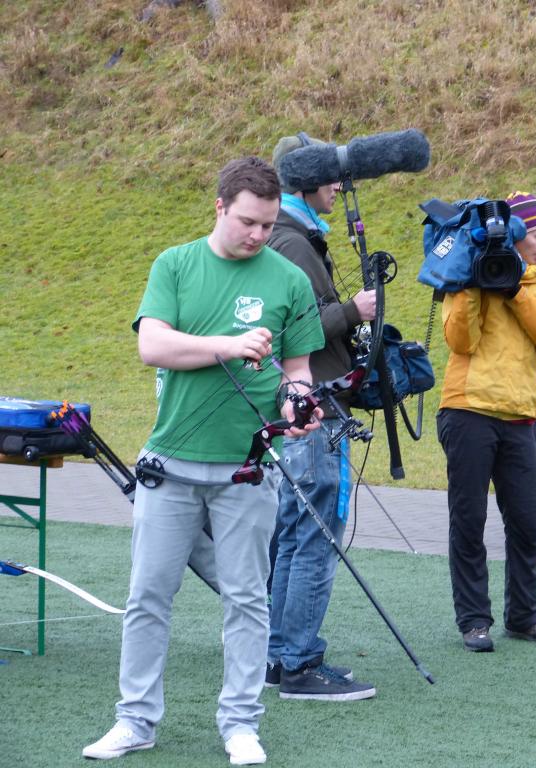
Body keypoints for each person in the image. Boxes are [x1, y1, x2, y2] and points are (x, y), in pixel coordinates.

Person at [83, 157, 325, 766]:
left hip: (249, 468)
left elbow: (296, 371)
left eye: (268, 224)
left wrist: (299, 403)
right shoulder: (176, 264)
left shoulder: (289, 280)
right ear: (219, 207)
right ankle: (135, 721)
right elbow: (152, 344)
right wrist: (229, 345)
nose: (258, 235)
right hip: (169, 466)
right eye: (248, 221)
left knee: (247, 600)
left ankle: (240, 724)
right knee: (148, 596)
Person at [262, 134, 377, 702]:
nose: (339, 184)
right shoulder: (292, 241)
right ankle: (299, 663)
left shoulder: (287, 235)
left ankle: (278, 656)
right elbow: (295, 330)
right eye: (330, 174)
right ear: (304, 180)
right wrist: (354, 311)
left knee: (292, 532)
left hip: (308, 405)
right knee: (313, 535)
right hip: (315, 408)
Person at [436, 191, 536, 652]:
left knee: (527, 522)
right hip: (467, 409)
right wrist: (474, 284)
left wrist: (514, 290)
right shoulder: (466, 272)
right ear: (516, 234)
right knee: (469, 520)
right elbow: (460, 341)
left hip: (519, 415)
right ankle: (474, 620)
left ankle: (523, 616)